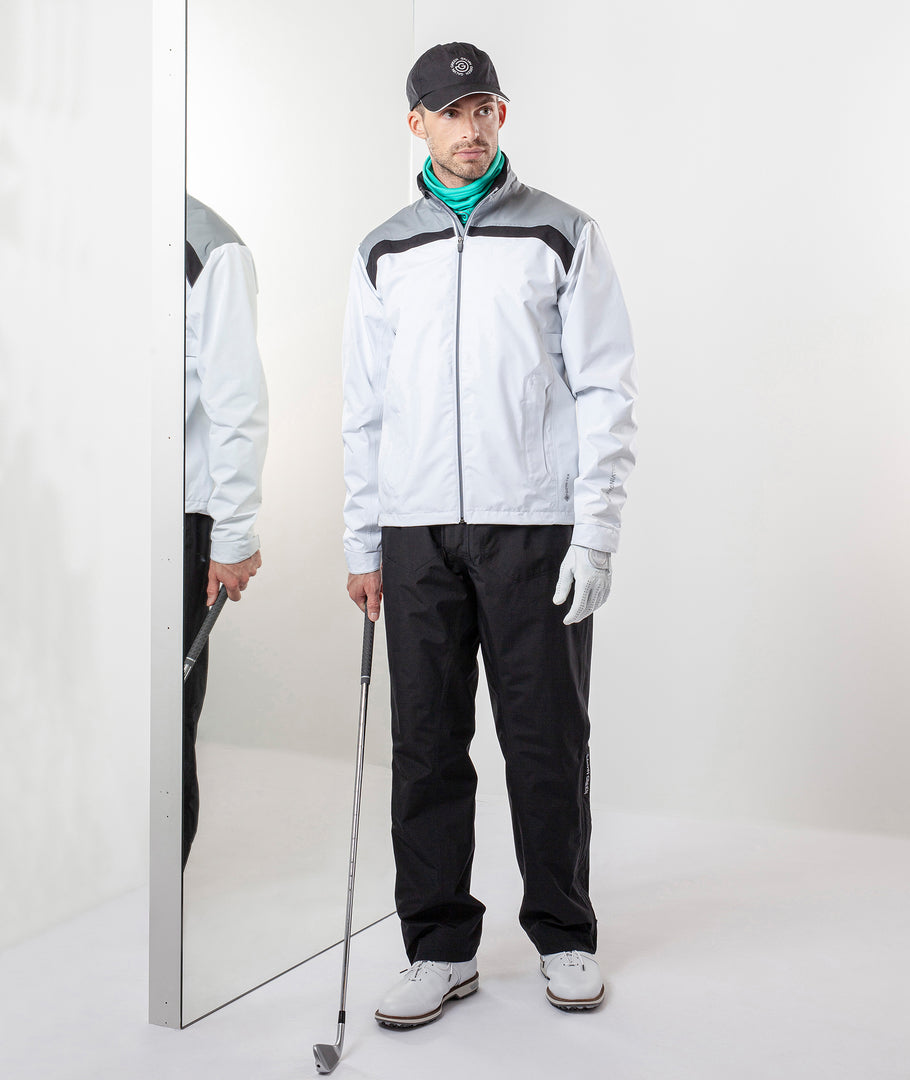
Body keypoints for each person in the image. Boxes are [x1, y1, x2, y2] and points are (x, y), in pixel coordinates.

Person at [341, 42, 637, 1027]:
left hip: (534, 527)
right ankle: (439, 949)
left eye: (484, 109)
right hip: (416, 529)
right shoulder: (384, 249)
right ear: (416, 123)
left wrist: (594, 532)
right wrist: (364, 541)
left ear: (500, 116)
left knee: (545, 741)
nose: (471, 128)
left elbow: (605, 385)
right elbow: (363, 408)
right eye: (451, 111)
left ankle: (563, 933)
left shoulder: (561, 233)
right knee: (427, 746)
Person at [183, 195, 269, 869]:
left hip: (173, 521)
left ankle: (154, 897)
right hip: (71, 519)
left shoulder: (210, 247)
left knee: (161, 722)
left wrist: (233, 535)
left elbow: (237, 399)